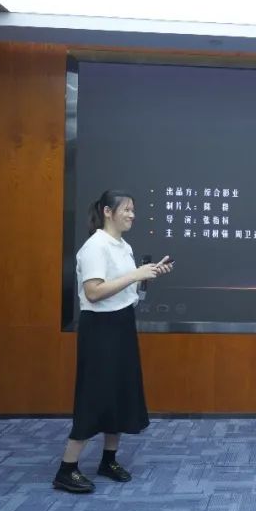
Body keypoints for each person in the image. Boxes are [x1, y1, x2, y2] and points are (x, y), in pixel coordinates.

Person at [53, 190, 173, 493]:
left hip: (122, 323)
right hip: (100, 328)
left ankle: (109, 460)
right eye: (127, 210)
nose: (132, 215)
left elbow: (123, 287)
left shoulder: (123, 246)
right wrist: (135, 275)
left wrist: (147, 274)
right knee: (95, 394)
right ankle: (67, 468)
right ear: (108, 211)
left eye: (133, 210)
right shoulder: (95, 246)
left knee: (119, 391)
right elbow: (93, 292)